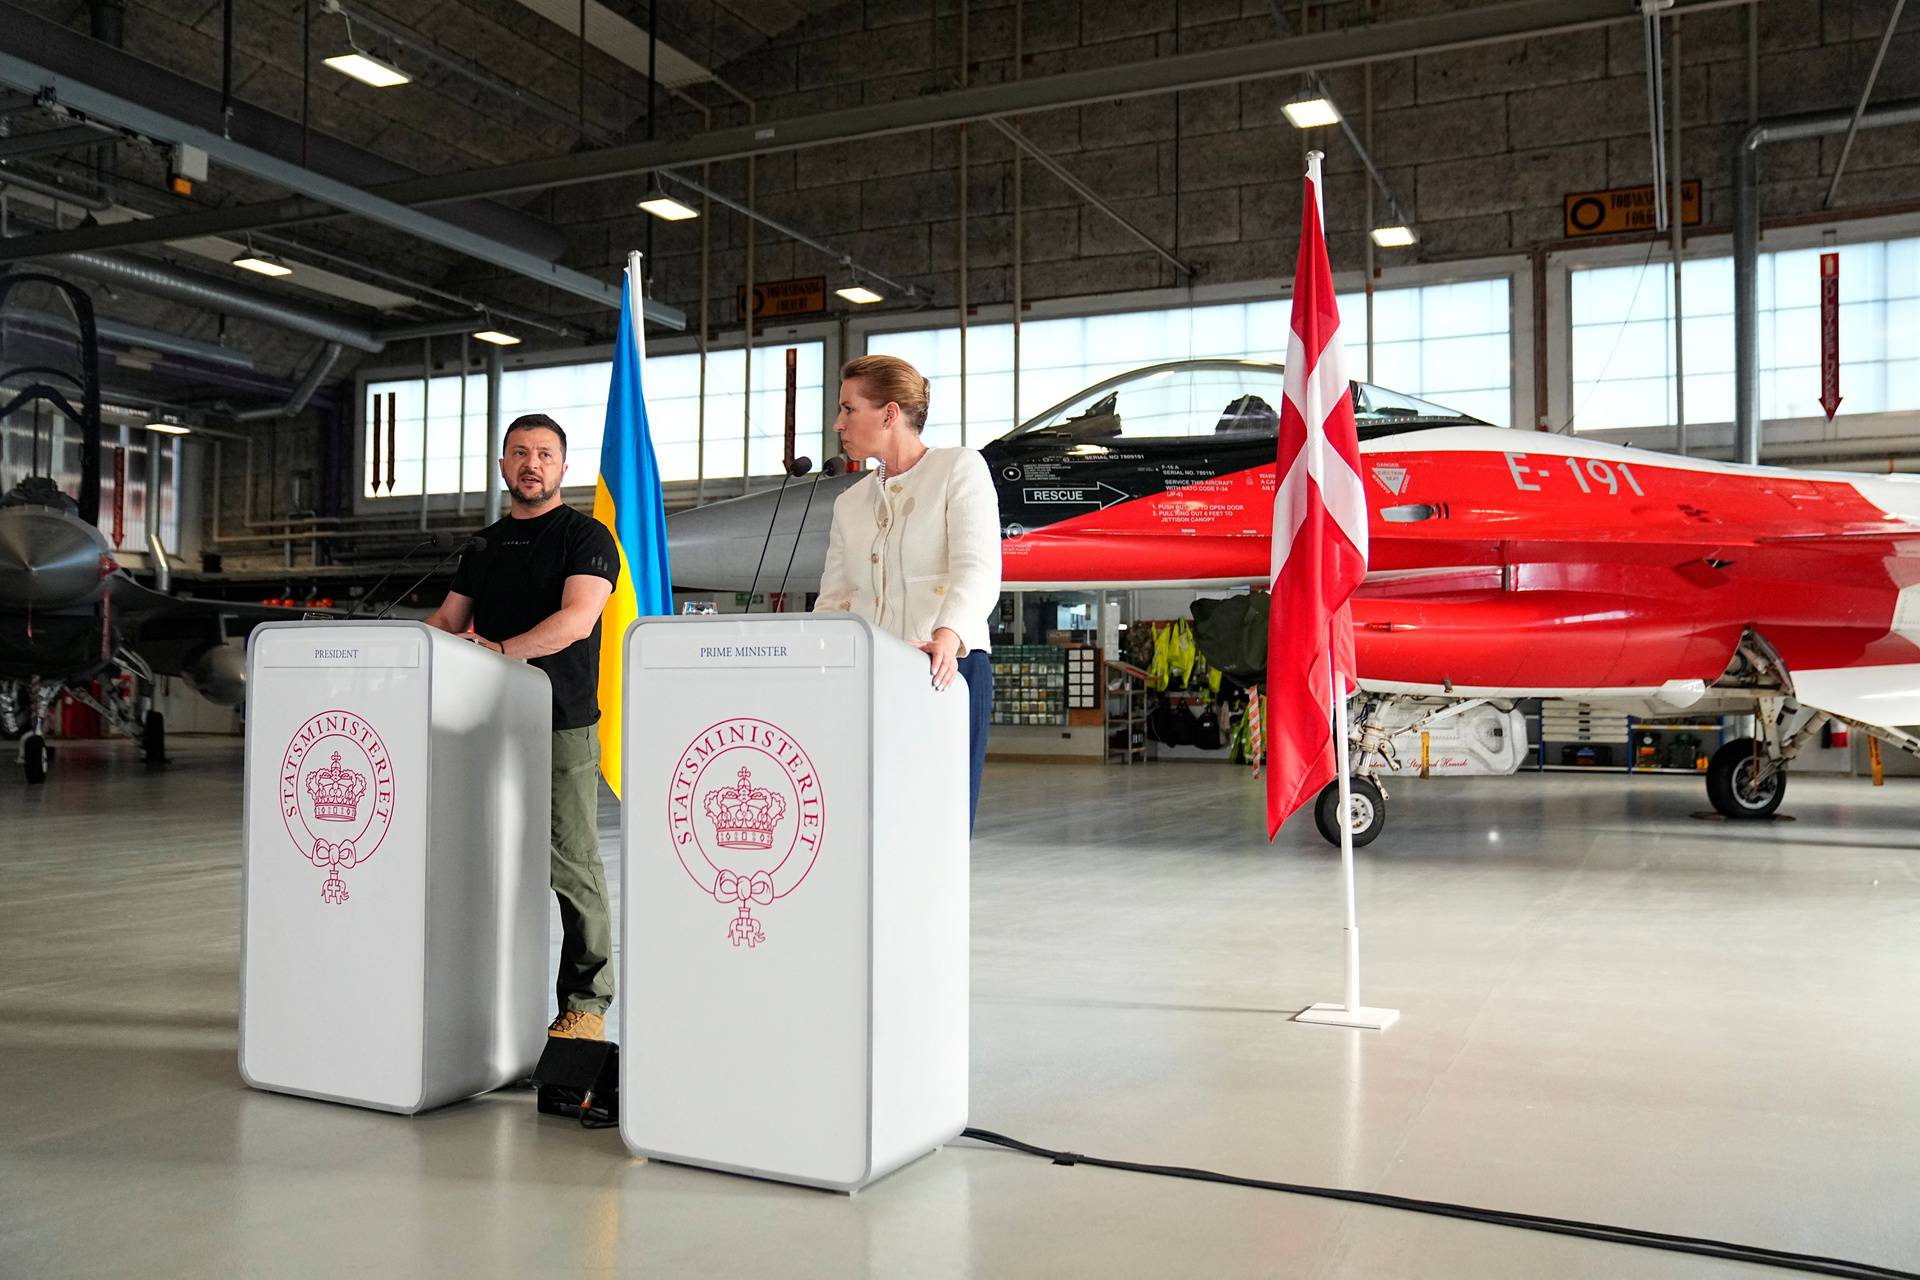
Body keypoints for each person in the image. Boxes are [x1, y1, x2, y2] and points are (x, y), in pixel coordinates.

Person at [424, 413, 619, 1041]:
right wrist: (390, 650)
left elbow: (577, 621)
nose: (531, 464)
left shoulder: (585, 536)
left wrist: (501, 654)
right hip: (477, 723)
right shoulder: (483, 544)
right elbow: (450, 623)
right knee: (475, 856)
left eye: (544, 454)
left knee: (571, 864)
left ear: (563, 467)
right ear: (503, 466)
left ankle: (586, 1006)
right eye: (518, 453)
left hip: (559, 724)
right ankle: (480, 991)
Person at [816, 355, 1002, 827]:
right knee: (871, 823)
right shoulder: (848, 502)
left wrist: (947, 635)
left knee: (939, 825)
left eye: (848, 408)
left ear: (889, 413)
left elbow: (978, 568)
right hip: (868, 678)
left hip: (947, 669)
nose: (839, 423)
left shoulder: (959, 468)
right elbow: (834, 599)